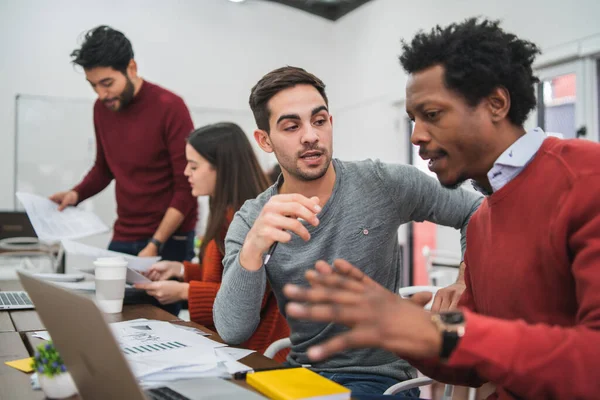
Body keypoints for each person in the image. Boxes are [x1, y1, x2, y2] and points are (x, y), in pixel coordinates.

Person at [282, 18, 600, 399]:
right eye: (413, 119)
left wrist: (448, 332)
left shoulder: (586, 179)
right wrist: (407, 331)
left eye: (431, 115)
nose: (416, 135)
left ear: (496, 104)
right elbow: (473, 361)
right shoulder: (482, 221)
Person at [213, 66, 483, 396]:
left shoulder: (383, 183)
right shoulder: (253, 218)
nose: (310, 135)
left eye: (319, 120)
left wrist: (465, 278)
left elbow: (477, 212)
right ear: (265, 140)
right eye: (291, 126)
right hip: (301, 374)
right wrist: (254, 246)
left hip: (381, 380)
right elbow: (232, 330)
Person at [134, 123, 290, 361]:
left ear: (221, 169)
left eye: (194, 166)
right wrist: (180, 270)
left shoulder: (246, 219)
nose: (186, 172)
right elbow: (225, 276)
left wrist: (185, 292)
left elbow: (245, 296)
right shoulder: (223, 209)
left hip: (255, 351)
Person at [49, 25, 197, 263]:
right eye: (93, 85)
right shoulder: (102, 109)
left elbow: (187, 186)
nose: (101, 94)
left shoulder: (170, 107)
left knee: (156, 302)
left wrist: (155, 243)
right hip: (125, 233)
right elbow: (103, 168)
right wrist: (76, 194)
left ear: (131, 68)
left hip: (170, 238)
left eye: (107, 83)